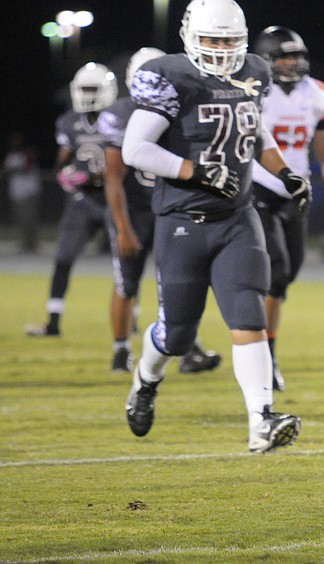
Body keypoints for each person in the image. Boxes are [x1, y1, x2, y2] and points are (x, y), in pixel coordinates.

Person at [120, 0, 305, 453]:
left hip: (238, 219)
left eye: (229, 40)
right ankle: (145, 382)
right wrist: (195, 171)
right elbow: (134, 148)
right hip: (182, 219)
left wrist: (283, 172)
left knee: (248, 315)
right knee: (176, 334)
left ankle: (261, 422)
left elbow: (253, 130)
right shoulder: (171, 75)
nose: (222, 49)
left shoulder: (254, 72)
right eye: (212, 40)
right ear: (190, 38)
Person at [99, 47, 222, 374]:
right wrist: (123, 227)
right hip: (136, 211)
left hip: (171, 208)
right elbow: (113, 179)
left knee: (180, 281)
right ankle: (120, 349)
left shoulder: (185, 109)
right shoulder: (119, 115)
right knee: (127, 282)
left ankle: (188, 349)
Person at [250, 26, 324, 391]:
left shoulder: (317, 94)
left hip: (296, 190)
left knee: (288, 275)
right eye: (285, 56)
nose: (293, 62)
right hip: (258, 186)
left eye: (297, 55)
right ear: (267, 60)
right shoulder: (255, 91)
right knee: (276, 273)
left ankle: (261, 336)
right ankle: (266, 357)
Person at [25, 62, 118, 337]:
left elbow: (122, 165)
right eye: (85, 89)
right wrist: (63, 175)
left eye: (93, 88)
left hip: (114, 198)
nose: (88, 94)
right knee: (63, 259)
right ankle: (53, 322)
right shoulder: (69, 121)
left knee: (124, 266)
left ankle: (130, 324)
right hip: (82, 201)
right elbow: (61, 161)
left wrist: (88, 177)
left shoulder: (118, 119)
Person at [2, 132, 42, 253]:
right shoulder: (11, 156)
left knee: (30, 219)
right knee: (20, 220)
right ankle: (25, 243)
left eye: (17, 141)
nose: (15, 143)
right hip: (17, 193)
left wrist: (13, 169)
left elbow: (26, 167)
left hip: (29, 192)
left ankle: (32, 244)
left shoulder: (27, 154)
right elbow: (6, 169)